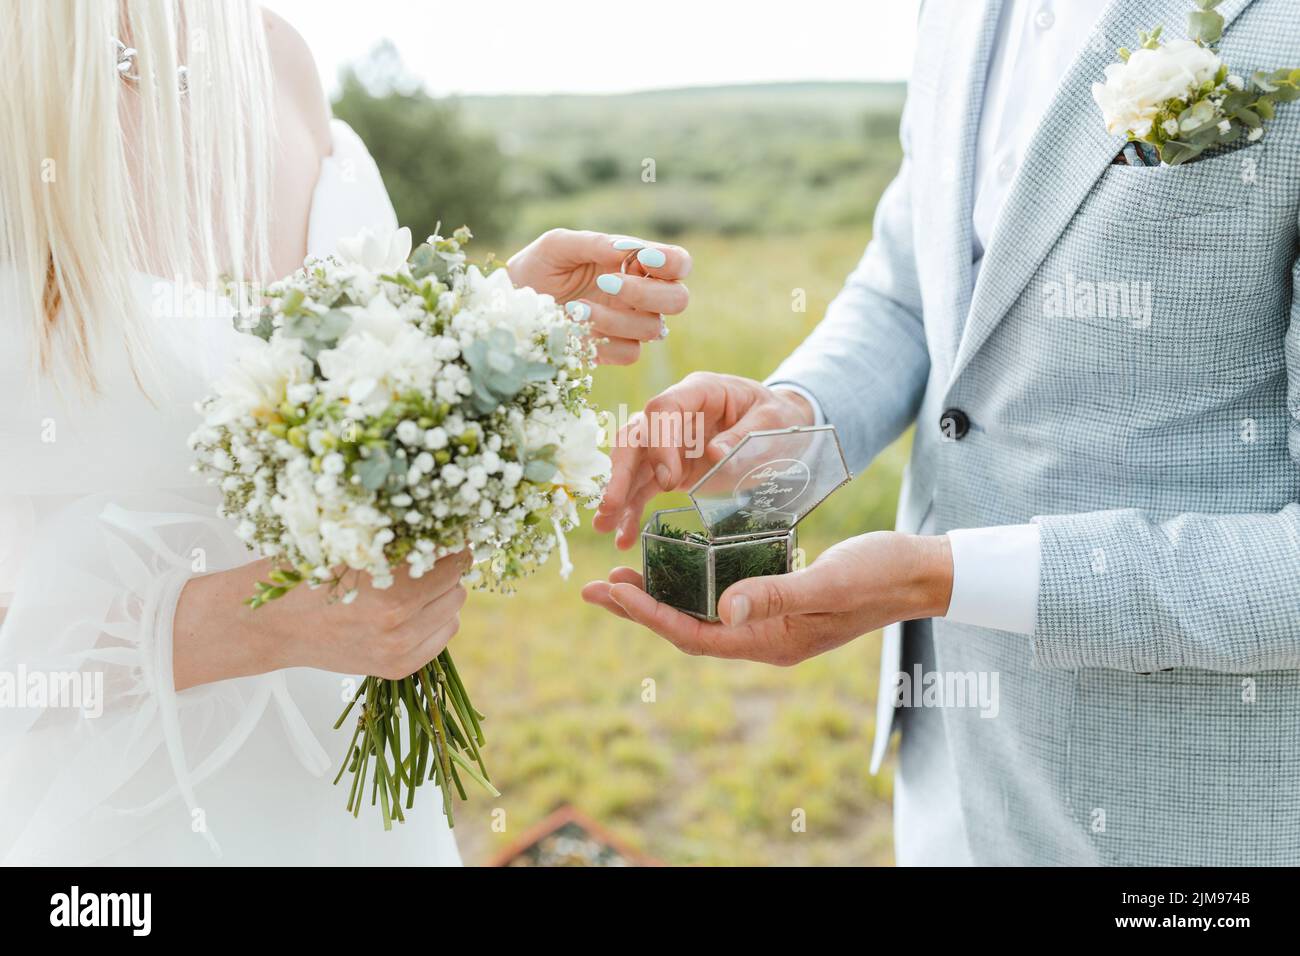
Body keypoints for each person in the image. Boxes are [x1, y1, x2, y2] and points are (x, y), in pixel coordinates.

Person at [585, 0, 1300, 865]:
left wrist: (941, 577)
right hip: (946, 761)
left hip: (1183, 809)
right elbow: (908, 290)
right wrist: (792, 419)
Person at [0, 0, 689, 865]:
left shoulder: (279, 57)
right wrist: (259, 624)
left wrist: (486, 337)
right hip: (115, 831)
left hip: (357, 805)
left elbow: (330, 371)